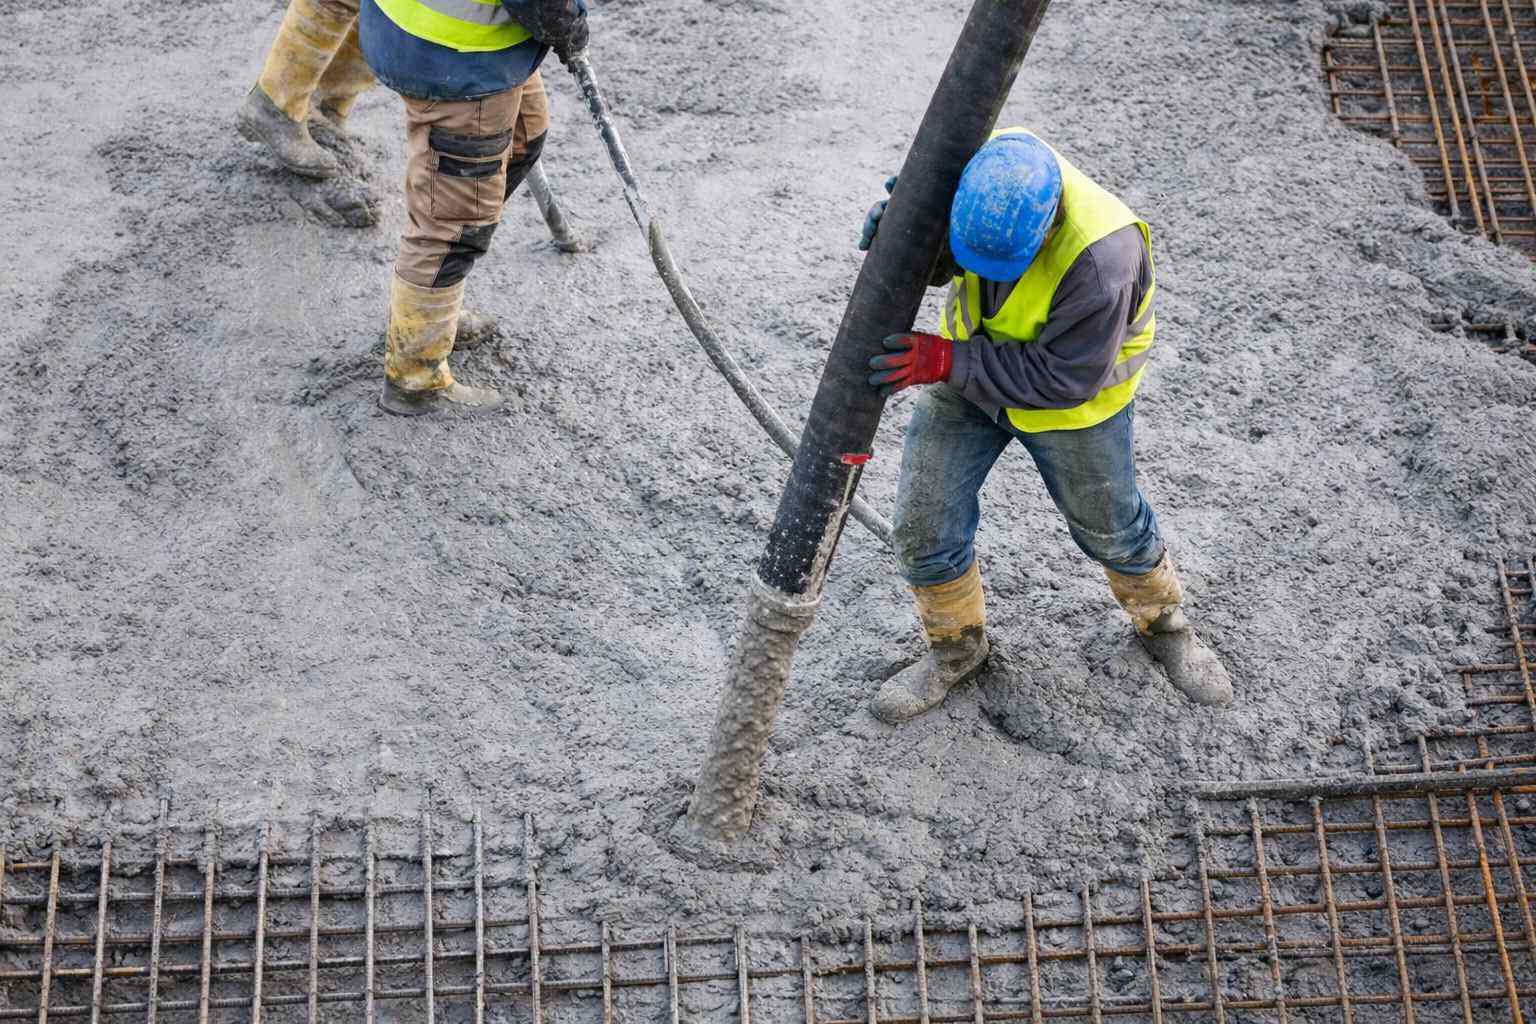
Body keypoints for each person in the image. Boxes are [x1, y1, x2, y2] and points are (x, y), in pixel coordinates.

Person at [858, 129, 1233, 724]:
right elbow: (951, 263)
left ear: (1049, 228)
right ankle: (957, 650)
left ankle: (1165, 625)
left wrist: (947, 360)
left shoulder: (1103, 261)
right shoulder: (982, 178)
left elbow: (1065, 378)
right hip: (967, 379)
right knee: (923, 525)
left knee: (1112, 528)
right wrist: (908, 237)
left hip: (1071, 409)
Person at [240, 0, 587, 416]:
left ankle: (427, 318)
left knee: (523, 138)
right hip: (458, 57)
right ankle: (416, 377)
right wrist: (564, 18)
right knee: (453, 224)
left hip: (452, 33)